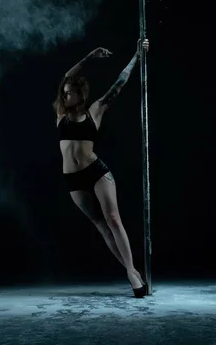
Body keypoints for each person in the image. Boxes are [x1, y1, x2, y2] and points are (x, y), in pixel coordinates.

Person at [53, 38, 150, 298]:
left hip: (96, 171)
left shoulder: (95, 110)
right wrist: (89, 56)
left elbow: (119, 83)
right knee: (100, 225)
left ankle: (131, 272)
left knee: (114, 220)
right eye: (64, 93)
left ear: (80, 94)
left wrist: (136, 56)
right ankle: (132, 270)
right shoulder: (61, 115)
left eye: (70, 92)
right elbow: (65, 77)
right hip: (72, 180)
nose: (66, 95)